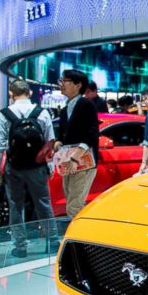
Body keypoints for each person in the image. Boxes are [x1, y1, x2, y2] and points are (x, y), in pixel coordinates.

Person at [0, 79, 55, 258]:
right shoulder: (42, 113)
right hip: (37, 166)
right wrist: (49, 166)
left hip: (15, 166)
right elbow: (49, 142)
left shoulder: (4, 114)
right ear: (30, 93)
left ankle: (20, 247)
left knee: (15, 206)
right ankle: (52, 242)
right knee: (43, 202)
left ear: (11, 94)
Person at [54, 69, 99, 218]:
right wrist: (58, 145)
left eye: (64, 81)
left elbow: (91, 134)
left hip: (82, 162)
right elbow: (62, 136)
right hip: (68, 162)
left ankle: (82, 239)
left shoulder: (87, 105)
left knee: (74, 207)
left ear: (78, 85)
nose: (61, 84)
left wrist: (75, 158)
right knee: (70, 202)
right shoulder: (65, 109)